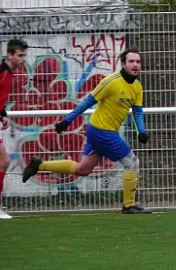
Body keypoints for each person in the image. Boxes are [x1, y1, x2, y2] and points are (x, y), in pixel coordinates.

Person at [22, 47, 152, 214]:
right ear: (124, 64)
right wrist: (67, 121)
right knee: (132, 162)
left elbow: (137, 110)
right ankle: (129, 205)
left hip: (100, 132)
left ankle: (39, 165)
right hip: (102, 131)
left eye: (138, 62)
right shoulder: (111, 82)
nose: (135, 64)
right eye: (131, 61)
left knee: (82, 169)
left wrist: (141, 130)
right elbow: (87, 102)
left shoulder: (137, 87)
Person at [0, 39, 28, 219]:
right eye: (20, 55)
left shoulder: (8, 72)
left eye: (24, 55)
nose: (24, 59)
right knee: (3, 161)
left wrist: (2, 114)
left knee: (3, 162)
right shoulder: (2, 71)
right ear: (10, 55)